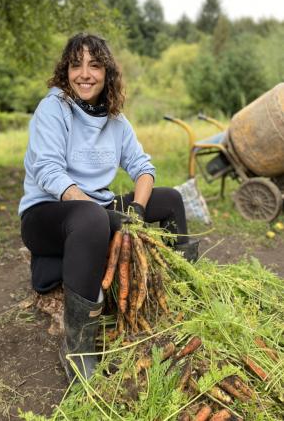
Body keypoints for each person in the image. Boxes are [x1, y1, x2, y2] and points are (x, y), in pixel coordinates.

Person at [19, 33, 199, 383]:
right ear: (66, 71)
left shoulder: (115, 119)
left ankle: (183, 295)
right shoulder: (54, 108)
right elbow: (48, 172)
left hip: (93, 210)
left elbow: (143, 169)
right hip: (47, 214)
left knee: (171, 199)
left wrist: (136, 213)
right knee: (90, 217)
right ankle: (79, 348)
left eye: (94, 65)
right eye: (76, 65)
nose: (84, 74)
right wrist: (104, 216)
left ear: (107, 73)